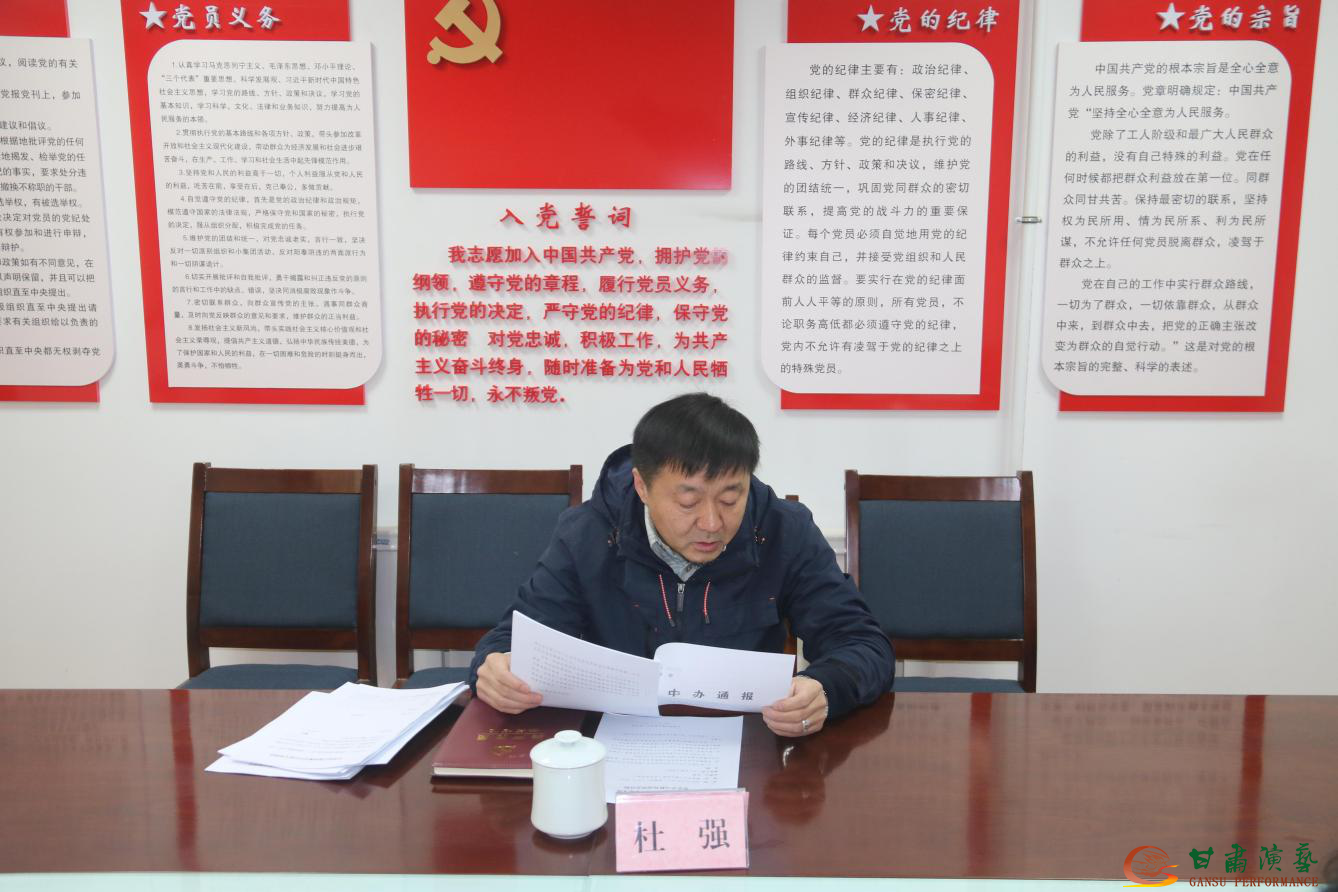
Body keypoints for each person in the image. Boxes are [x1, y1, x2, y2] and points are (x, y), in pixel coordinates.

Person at [470, 392, 893, 737]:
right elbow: (512, 641)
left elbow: (863, 644)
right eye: (688, 502)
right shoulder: (588, 535)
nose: (711, 523)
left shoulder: (784, 531)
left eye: (730, 499)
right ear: (642, 486)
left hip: (747, 745)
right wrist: (497, 668)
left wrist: (825, 688)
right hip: (615, 742)